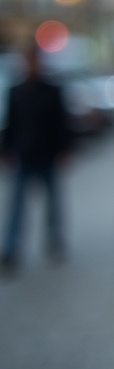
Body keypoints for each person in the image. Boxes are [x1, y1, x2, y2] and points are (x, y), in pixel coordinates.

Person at [1, 43, 72, 273]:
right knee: (17, 207)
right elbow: (11, 124)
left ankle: (54, 242)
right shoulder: (16, 90)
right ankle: (11, 249)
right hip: (24, 155)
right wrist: (7, 151)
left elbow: (61, 123)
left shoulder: (51, 90)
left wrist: (65, 149)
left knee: (53, 204)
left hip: (47, 155)